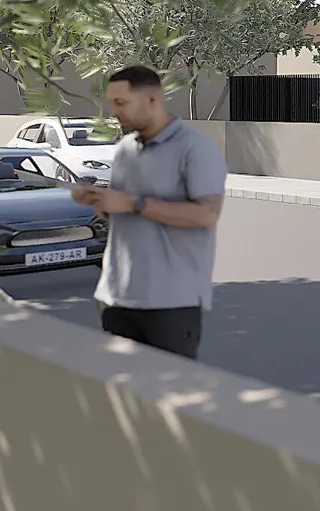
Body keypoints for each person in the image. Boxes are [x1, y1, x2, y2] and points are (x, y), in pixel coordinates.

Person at [70, 65, 228, 360]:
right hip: (115, 298)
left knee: (168, 399)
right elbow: (120, 214)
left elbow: (207, 215)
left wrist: (133, 203)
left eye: (121, 103)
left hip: (170, 303)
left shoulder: (196, 149)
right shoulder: (124, 149)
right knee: (121, 398)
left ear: (153, 100)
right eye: (111, 103)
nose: (114, 112)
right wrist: (100, 202)